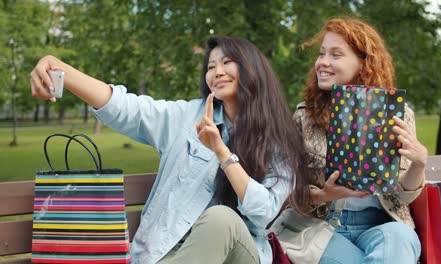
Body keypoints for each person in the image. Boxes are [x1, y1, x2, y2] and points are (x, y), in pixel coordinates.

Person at [30, 36, 310, 264]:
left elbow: (264, 212)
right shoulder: (185, 118)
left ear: (252, 69)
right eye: (211, 66)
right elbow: (126, 109)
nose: (217, 72)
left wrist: (222, 152)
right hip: (166, 253)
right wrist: (60, 69)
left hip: (238, 255)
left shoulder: (278, 140)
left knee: (221, 218)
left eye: (227, 62)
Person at [290, 17, 428, 263]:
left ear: (364, 63)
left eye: (335, 55)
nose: (322, 62)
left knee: (400, 239)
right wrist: (325, 194)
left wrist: (418, 162)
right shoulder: (304, 116)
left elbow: (402, 196)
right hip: (321, 227)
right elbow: (287, 192)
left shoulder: (398, 115)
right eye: (322, 54)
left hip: (381, 224)